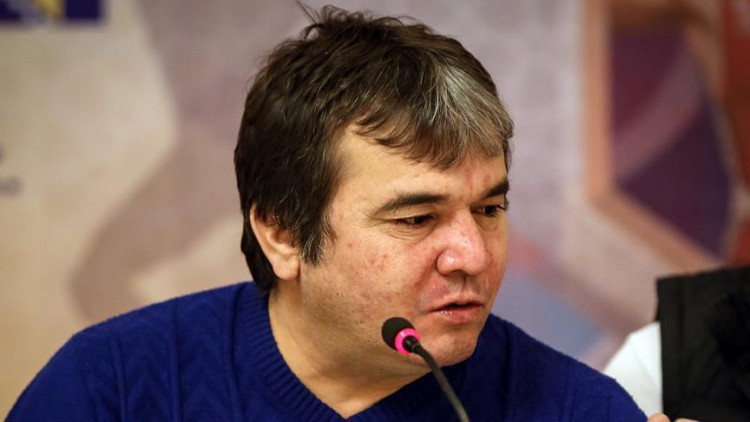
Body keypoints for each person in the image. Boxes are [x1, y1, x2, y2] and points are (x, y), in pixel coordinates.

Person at [9, 6, 665, 421]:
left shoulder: (577, 409)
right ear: (282, 234)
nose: (474, 255)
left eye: (490, 207)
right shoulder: (112, 388)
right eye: (416, 219)